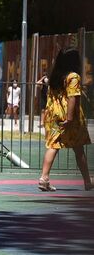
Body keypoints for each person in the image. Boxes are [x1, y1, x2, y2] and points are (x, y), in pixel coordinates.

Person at [38, 48, 92, 192]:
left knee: (53, 145)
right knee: (78, 148)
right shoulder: (73, 77)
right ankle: (87, 181)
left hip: (53, 114)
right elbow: (72, 97)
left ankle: (44, 178)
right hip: (69, 115)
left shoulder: (55, 75)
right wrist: (69, 118)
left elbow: (49, 91)